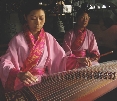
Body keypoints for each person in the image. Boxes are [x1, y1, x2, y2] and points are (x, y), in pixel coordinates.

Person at [0, 1, 91, 91]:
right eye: (33, 18)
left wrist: (76, 60)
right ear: (25, 17)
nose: (38, 22)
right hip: (23, 82)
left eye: (41, 18)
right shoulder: (17, 40)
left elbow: (60, 59)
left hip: (43, 80)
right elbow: (5, 63)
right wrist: (19, 74)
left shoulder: (48, 38)